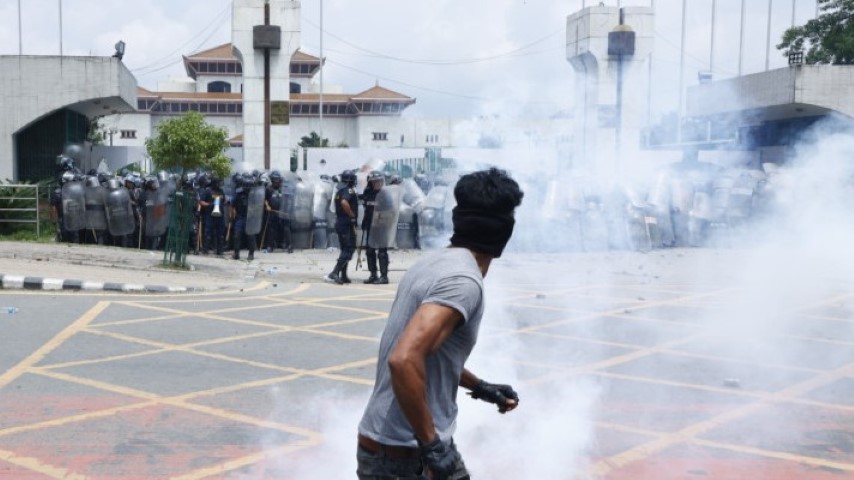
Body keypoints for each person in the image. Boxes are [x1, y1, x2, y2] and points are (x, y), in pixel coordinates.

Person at [356, 168, 524, 480]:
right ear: (505, 229)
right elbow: (404, 359)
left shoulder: (435, 262)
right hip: (405, 457)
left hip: (396, 448)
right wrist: (432, 447)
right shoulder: (462, 281)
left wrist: (480, 387)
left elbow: (429, 353)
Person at [324, 169, 358, 285]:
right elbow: (344, 202)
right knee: (349, 249)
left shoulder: (339, 191)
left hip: (341, 223)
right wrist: (352, 214)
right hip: (347, 224)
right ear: (351, 181)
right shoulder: (349, 190)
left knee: (346, 249)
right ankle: (335, 272)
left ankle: (343, 275)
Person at [360, 170, 390, 284]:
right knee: (369, 251)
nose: (378, 183)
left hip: (381, 227)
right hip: (370, 226)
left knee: (382, 252)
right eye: (375, 181)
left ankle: (384, 276)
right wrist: (365, 222)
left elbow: (390, 210)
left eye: (379, 181)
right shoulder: (367, 193)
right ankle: (373, 274)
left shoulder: (385, 194)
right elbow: (366, 209)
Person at [230, 173, 258, 261]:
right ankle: (236, 253)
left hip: (250, 218)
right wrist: (232, 215)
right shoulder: (239, 193)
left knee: (251, 237)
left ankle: (251, 254)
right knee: (237, 235)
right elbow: (232, 205)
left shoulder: (254, 194)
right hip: (240, 217)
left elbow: (259, 206)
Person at [264, 170, 294, 253]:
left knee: (286, 229)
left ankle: (289, 246)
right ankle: (270, 246)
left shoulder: (285, 188)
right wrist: (267, 206)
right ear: (272, 180)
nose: (276, 182)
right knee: (272, 229)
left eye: (277, 180)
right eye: (274, 180)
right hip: (273, 212)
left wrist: (288, 210)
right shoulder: (268, 188)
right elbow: (265, 199)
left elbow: (289, 200)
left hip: (284, 212)